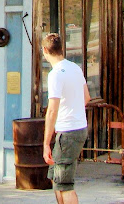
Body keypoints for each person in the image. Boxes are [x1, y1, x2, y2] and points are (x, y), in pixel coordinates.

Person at [42, 32, 91, 204]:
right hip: (78, 128)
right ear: (62, 49)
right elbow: (86, 98)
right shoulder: (75, 68)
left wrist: (46, 143)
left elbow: (52, 111)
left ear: (45, 50)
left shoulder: (55, 74)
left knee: (64, 183)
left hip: (68, 132)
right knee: (55, 177)